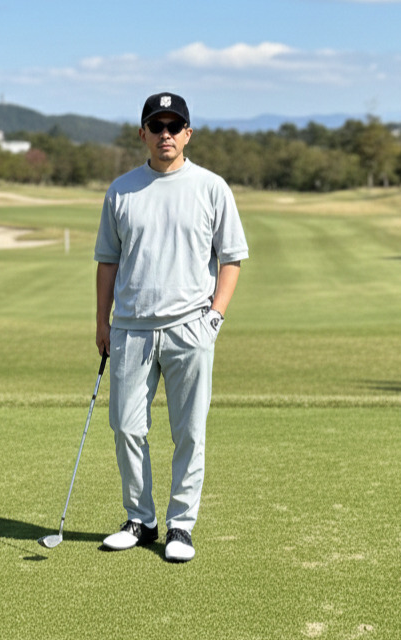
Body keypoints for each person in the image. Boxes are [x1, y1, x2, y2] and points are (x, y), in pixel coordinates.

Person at [94, 92, 249, 562]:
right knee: (126, 427)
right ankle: (140, 520)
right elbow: (107, 261)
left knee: (189, 432)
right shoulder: (121, 190)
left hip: (190, 328)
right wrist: (102, 321)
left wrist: (215, 316)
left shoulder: (211, 187)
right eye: (157, 126)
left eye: (174, 126)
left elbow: (231, 258)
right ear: (142, 133)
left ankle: (181, 526)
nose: (166, 134)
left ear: (188, 134)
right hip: (131, 329)